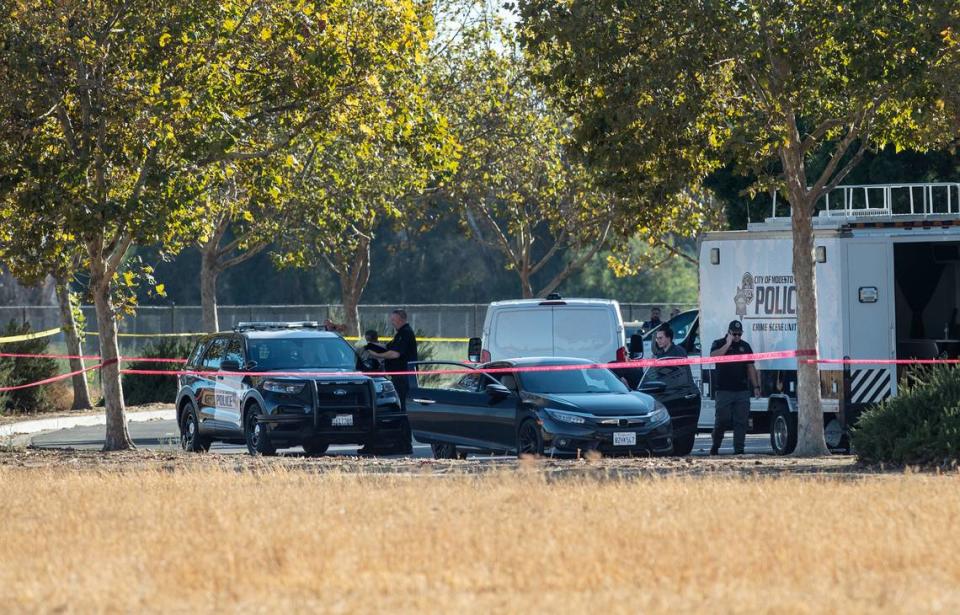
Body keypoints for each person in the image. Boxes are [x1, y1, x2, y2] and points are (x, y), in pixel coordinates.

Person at [709, 320, 761, 455]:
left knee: (741, 421)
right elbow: (714, 357)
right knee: (722, 420)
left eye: (739, 334)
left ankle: (739, 450)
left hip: (742, 390)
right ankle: (715, 445)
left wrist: (756, 386)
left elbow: (750, 367)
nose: (737, 337)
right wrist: (728, 344)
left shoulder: (746, 346)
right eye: (734, 334)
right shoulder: (718, 343)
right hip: (723, 390)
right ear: (729, 332)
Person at [367, 309, 418, 412]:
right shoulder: (400, 334)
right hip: (399, 376)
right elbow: (387, 347)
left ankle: (404, 426)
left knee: (403, 404)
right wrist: (368, 345)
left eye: (393, 320)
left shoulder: (405, 333)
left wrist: (377, 355)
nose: (392, 322)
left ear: (401, 320)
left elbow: (395, 354)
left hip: (404, 376)